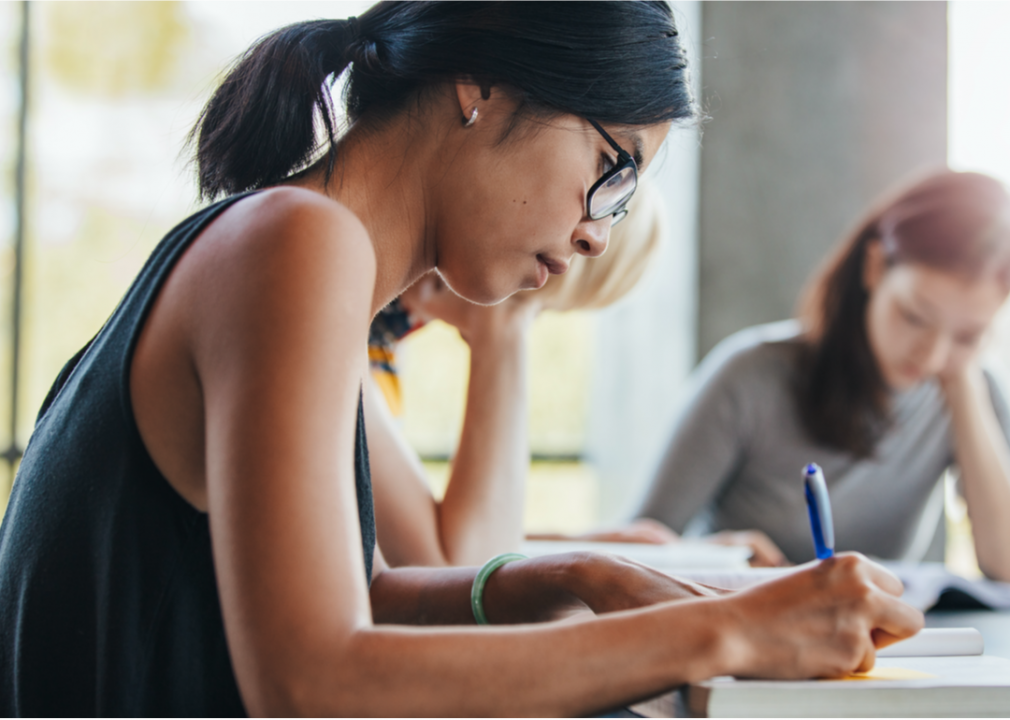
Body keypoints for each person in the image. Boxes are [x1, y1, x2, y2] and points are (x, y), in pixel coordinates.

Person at [0, 3, 922, 716]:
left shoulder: (291, 244)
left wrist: (584, 578)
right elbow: (314, 679)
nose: (601, 233)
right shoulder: (297, 243)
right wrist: (723, 628)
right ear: (479, 85)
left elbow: (362, 595)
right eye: (614, 167)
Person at [637, 170, 1010, 578]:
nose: (934, 354)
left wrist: (963, 388)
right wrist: (712, 558)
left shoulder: (971, 390)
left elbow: (1004, 563)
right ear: (875, 268)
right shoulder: (751, 376)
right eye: (915, 316)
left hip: (878, 638)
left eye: (968, 335)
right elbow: (636, 549)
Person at [367, 185, 677, 568]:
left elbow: (380, 532)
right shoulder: (352, 324)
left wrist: (565, 542)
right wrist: (501, 331)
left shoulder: (384, 334)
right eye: (536, 307)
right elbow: (464, 571)